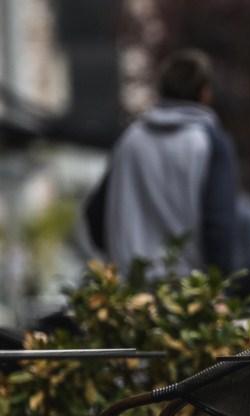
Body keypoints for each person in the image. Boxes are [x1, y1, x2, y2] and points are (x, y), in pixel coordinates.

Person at [85, 48, 238, 278]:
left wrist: (119, 255)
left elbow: (95, 213)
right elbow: (217, 226)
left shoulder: (130, 140)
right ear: (205, 93)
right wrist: (220, 280)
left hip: (131, 294)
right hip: (190, 296)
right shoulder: (209, 143)